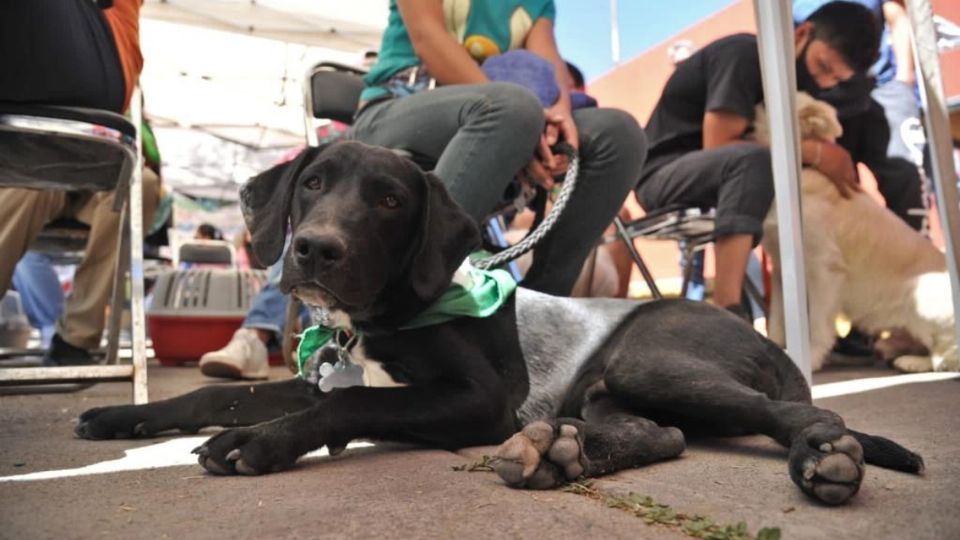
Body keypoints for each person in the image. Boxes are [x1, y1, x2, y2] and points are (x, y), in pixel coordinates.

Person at [349, 0, 646, 297]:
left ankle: (541, 306)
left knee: (618, 133)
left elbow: (548, 64)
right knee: (513, 108)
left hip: (504, 119)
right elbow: (428, 38)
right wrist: (521, 125)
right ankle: (407, 297)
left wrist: (560, 114)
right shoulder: (512, 108)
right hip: (396, 108)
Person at [635, 2, 880, 319]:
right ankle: (729, 312)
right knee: (754, 160)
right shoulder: (745, 55)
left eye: (835, 79)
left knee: (798, 185)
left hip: (727, 178)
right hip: (663, 175)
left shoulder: (790, 83)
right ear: (802, 34)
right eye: (821, 66)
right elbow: (719, 145)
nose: (822, 81)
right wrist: (817, 153)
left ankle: (814, 318)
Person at [0, 0, 160, 366]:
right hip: (34, 163)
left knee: (142, 185)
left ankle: (78, 336)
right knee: (32, 189)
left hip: (93, 166)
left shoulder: (114, 28)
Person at [794, 0, 926, 231]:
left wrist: (904, 80)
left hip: (883, 89)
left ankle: (919, 264)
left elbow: (897, 14)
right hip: (822, 99)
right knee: (835, 191)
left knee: (907, 181)